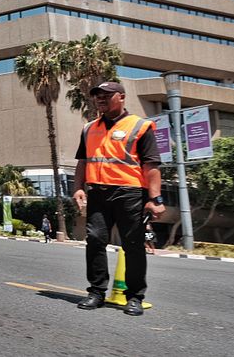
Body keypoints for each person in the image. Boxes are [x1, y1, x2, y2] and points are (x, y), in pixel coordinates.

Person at [72, 81, 165, 316]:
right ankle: (96, 292)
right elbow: (83, 162)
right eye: (97, 96)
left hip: (130, 193)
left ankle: (134, 296)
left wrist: (155, 198)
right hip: (98, 193)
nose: (100, 99)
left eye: (106, 95)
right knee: (94, 240)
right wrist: (78, 188)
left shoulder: (140, 126)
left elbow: (152, 165)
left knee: (133, 245)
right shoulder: (89, 128)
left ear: (121, 97)